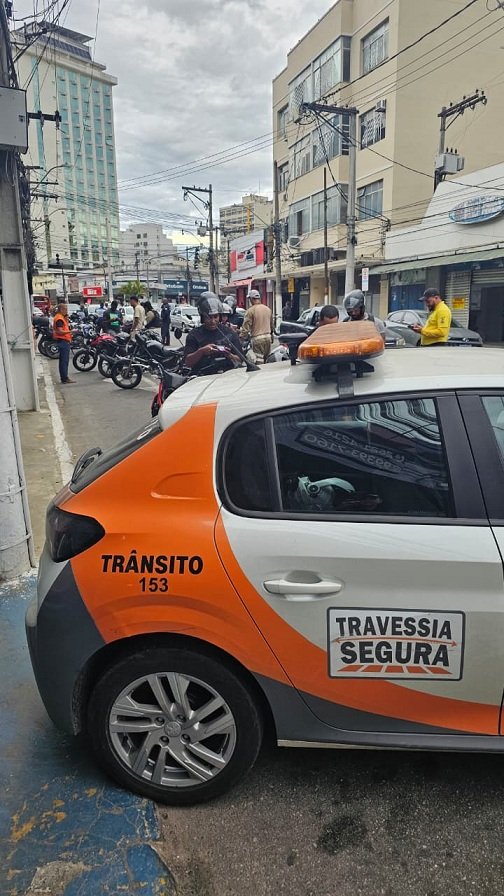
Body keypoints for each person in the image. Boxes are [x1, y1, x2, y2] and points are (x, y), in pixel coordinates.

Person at [184, 292, 242, 374]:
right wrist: (202, 351)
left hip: (227, 377)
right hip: (202, 377)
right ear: (202, 317)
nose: (213, 321)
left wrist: (229, 355)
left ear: (220, 316)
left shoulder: (230, 333)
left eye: (215, 317)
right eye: (209, 317)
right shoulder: (193, 335)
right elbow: (188, 362)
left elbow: (241, 360)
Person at [241, 289, 273, 363]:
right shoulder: (268, 309)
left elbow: (246, 328)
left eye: (249, 299)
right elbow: (271, 325)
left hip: (257, 340)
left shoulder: (250, 311)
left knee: (259, 361)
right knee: (266, 360)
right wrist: (271, 336)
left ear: (252, 299)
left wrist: (241, 337)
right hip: (268, 338)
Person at [52, 302, 74, 384]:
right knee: (64, 361)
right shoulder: (59, 319)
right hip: (63, 341)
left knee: (63, 361)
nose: (67, 311)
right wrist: (70, 332)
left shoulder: (61, 317)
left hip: (64, 341)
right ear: (61, 309)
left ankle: (64, 377)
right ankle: (64, 378)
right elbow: (60, 331)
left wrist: (66, 319)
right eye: (65, 309)